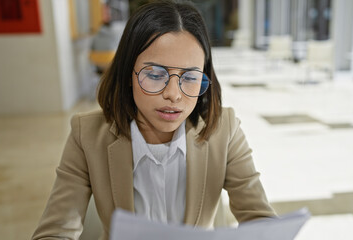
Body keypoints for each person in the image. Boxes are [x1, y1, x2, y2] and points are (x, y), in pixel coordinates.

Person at [32, 1, 276, 239]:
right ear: (128, 74)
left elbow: (260, 218)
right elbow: (54, 232)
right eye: (156, 74)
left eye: (190, 76)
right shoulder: (87, 135)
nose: (173, 94)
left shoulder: (225, 129)